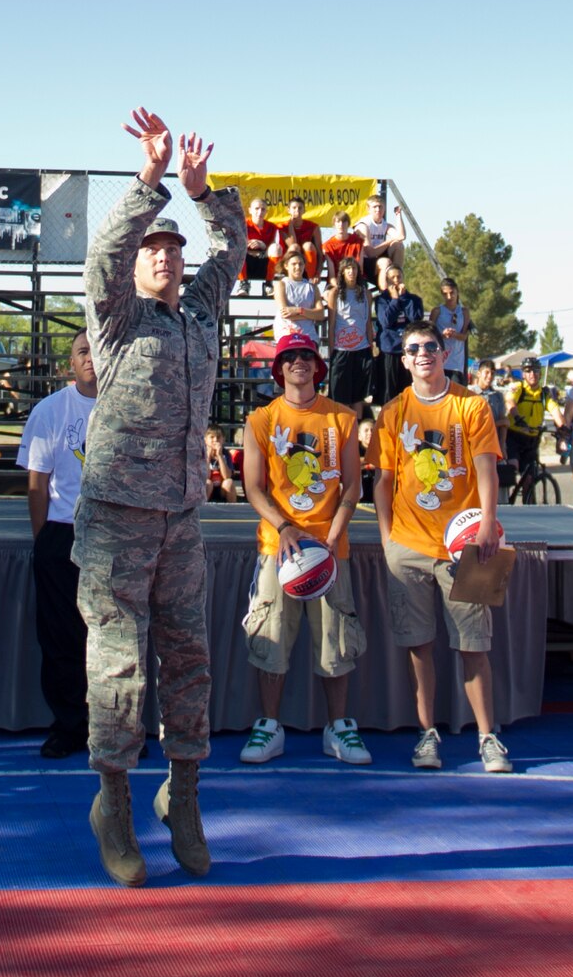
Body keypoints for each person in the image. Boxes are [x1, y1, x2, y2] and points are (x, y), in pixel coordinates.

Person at [74, 106, 245, 887]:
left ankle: (183, 796)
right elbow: (102, 254)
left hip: (180, 518)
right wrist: (149, 181)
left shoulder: (203, 313)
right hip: (115, 520)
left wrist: (202, 193)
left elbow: (233, 247)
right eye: (155, 249)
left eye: (174, 250)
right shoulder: (115, 318)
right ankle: (113, 800)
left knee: (189, 661)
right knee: (119, 668)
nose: (167, 259)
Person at [370, 318, 510, 773]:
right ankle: (427, 735)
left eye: (431, 346)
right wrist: (389, 539)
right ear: (404, 358)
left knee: (474, 645)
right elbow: (383, 481)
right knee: (419, 647)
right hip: (408, 545)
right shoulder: (392, 413)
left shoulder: (472, 406)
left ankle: (488, 737)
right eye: (414, 349)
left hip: (464, 546)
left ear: (444, 353)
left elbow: (487, 469)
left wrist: (488, 522)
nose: (423, 354)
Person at [240, 330, 370, 766]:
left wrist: (334, 532)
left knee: (336, 640)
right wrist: (285, 527)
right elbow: (253, 488)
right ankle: (270, 726)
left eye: (306, 356)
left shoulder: (341, 419)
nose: (299, 362)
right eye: (290, 356)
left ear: (318, 366)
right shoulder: (261, 420)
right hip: (280, 549)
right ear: (278, 369)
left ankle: (339, 727)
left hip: (331, 548)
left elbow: (353, 485)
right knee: (271, 637)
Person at [16, 328, 98, 758]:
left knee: (113, 638)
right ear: (70, 363)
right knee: (61, 637)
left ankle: (114, 728)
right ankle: (68, 725)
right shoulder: (51, 410)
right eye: (81, 351)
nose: (90, 357)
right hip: (62, 531)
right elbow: (37, 483)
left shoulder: (128, 406)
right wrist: (45, 537)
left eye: (96, 349)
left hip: (114, 536)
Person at [325, 256, 375, 420]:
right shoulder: (335, 293)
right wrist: (332, 351)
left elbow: (368, 322)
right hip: (342, 349)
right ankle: (343, 433)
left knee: (358, 396)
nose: (351, 272)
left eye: (354, 268)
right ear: (342, 272)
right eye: (348, 269)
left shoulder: (366, 294)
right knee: (341, 396)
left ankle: (357, 433)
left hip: (361, 348)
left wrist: (371, 345)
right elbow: (331, 324)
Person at [373, 265, 423, 406]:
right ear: (387, 281)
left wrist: (404, 298)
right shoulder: (381, 300)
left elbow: (415, 320)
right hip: (390, 350)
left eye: (398, 277)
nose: (396, 280)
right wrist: (395, 300)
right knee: (390, 394)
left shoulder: (413, 299)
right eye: (392, 278)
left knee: (408, 392)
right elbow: (386, 321)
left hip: (408, 350)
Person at [273, 246, 326, 343]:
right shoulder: (281, 285)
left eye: (301, 264)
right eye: (294, 264)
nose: (298, 267)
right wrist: (311, 314)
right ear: (286, 266)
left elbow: (320, 314)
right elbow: (285, 313)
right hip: (287, 334)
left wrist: (299, 310)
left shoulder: (312, 287)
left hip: (308, 335)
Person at [355, 193, 404, 291]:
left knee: (398, 245)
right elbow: (370, 253)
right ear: (368, 209)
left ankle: (397, 280)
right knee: (385, 262)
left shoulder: (384, 224)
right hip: (365, 263)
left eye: (380, 207)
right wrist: (389, 241)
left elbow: (401, 236)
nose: (378, 210)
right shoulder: (363, 225)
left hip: (379, 259)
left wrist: (398, 215)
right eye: (375, 207)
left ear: (384, 208)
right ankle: (386, 294)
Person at [236, 198, 281, 297]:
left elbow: (272, 247)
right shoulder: (242, 225)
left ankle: (268, 285)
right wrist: (247, 244)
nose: (260, 212)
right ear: (250, 210)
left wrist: (263, 245)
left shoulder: (272, 227)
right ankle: (244, 284)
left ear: (266, 212)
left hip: (263, 263)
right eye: (256, 209)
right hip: (246, 263)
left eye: (263, 209)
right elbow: (237, 243)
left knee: (276, 248)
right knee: (237, 248)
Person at [431, 279, 471, 382]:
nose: (449, 297)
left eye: (452, 293)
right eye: (445, 294)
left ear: (457, 292)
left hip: (457, 362)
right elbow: (429, 335)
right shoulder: (437, 311)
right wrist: (443, 335)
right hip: (440, 361)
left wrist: (454, 334)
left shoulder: (464, 312)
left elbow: (464, 336)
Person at [278, 199, 322, 282]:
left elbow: (319, 253)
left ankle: (310, 278)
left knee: (308, 245)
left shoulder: (313, 227)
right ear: (289, 210)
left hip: (306, 263)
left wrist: (318, 273)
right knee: (294, 247)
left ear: (304, 210)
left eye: (300, 208)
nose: (297, 210)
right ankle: (290, 278)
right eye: (294, 208)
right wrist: (290, 224)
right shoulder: (282, 227)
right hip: (288, 263)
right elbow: (293, 245)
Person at [323, 211, 364, 284]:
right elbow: (332, 276)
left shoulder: (358, 242)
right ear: (334, 224)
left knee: (366, 294)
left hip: (355, 280)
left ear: (348, 224)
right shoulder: (328, 245)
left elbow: (360, 269)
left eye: (344, 222)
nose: (341, 224)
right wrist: (338, 288)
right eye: (338, 222)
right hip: (337, 281)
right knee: (328, 294)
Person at [204, 426, 239, 503]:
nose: (215, 440)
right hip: (208, 489)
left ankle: (232, 511)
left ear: (223, 439)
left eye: (218, 437)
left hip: (221, 489)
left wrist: (220, 456)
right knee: (207, 483)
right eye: (212, 437)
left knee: (229, 482)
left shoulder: (226, 454)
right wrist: (208, 457)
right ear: (205, 439)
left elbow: (227, 476)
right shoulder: (202, 454)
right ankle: (202, 509)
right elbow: (204, 476)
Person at [472, 359, 507, 434]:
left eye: (492, 373)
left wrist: (502, 443)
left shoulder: (498, 396)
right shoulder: (470, 394)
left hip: (493, 441)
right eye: (487, 372)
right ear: (478, 374)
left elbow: (504, 422)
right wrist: (497, 423)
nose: (490, 376)